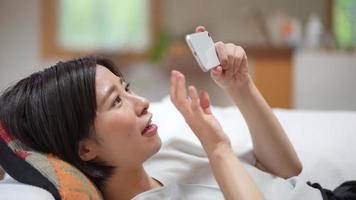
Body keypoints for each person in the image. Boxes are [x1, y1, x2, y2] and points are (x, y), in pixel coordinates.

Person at [0, 26, 352, 200]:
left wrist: (241, 88)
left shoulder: (165, 155)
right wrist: (218, 149)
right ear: (85, 149)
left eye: (126, 88)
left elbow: (286, 170)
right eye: (116, 102)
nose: (141, 103)